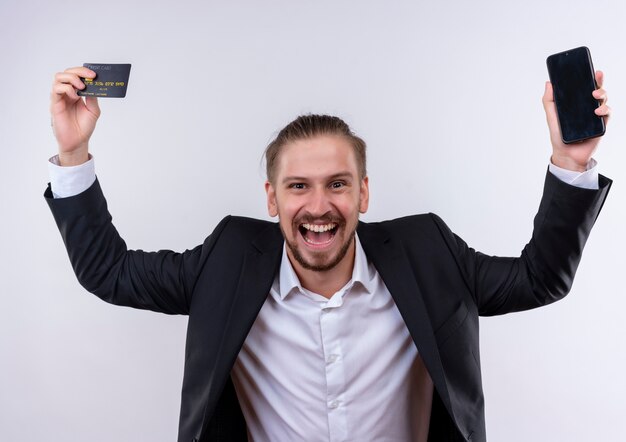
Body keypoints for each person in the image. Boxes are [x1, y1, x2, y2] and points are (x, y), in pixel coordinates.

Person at [46, 66, 612, 442]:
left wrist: (571, 160)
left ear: (363, 193)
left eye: (338, 184)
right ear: (271, 199)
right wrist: (74, 151)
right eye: (298, 187)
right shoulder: (226, 260)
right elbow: (109, 271)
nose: (319, 206)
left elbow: (540, 278)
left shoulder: (427, 251)